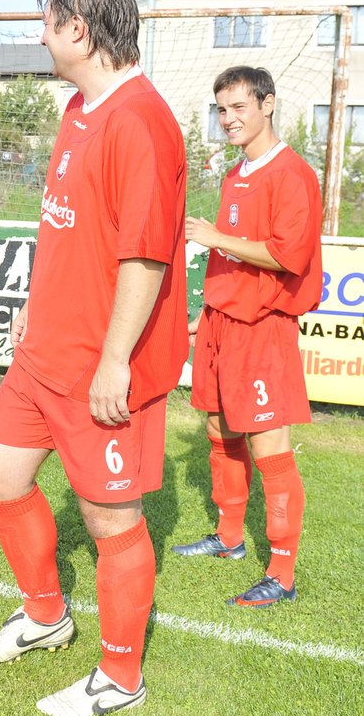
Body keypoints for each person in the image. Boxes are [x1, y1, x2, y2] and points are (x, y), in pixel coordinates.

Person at [0, 0, 187, 716]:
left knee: (108, 517)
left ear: (78, 29)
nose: (40, 34)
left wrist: (116, 359)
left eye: (47, 20)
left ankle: (121, 678)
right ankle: (45, 614)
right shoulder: (78, 109)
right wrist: (33, 303)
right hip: (44, 351)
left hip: (101, 364)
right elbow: (61, 221)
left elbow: (147, 255)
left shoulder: (141, 121)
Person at [172, 66, 321, 609]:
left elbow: (287, 255)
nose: (228, 119)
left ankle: (282, 574)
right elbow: (237, 256)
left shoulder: (292, 174)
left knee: (269, 446)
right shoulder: (237, 173)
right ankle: (230, 538)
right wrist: (208, 310)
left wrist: (216, 237)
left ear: (268, 104)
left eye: (238, 107)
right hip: (221, 322)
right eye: (222, 110)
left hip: (262, 329)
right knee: (219, 428)